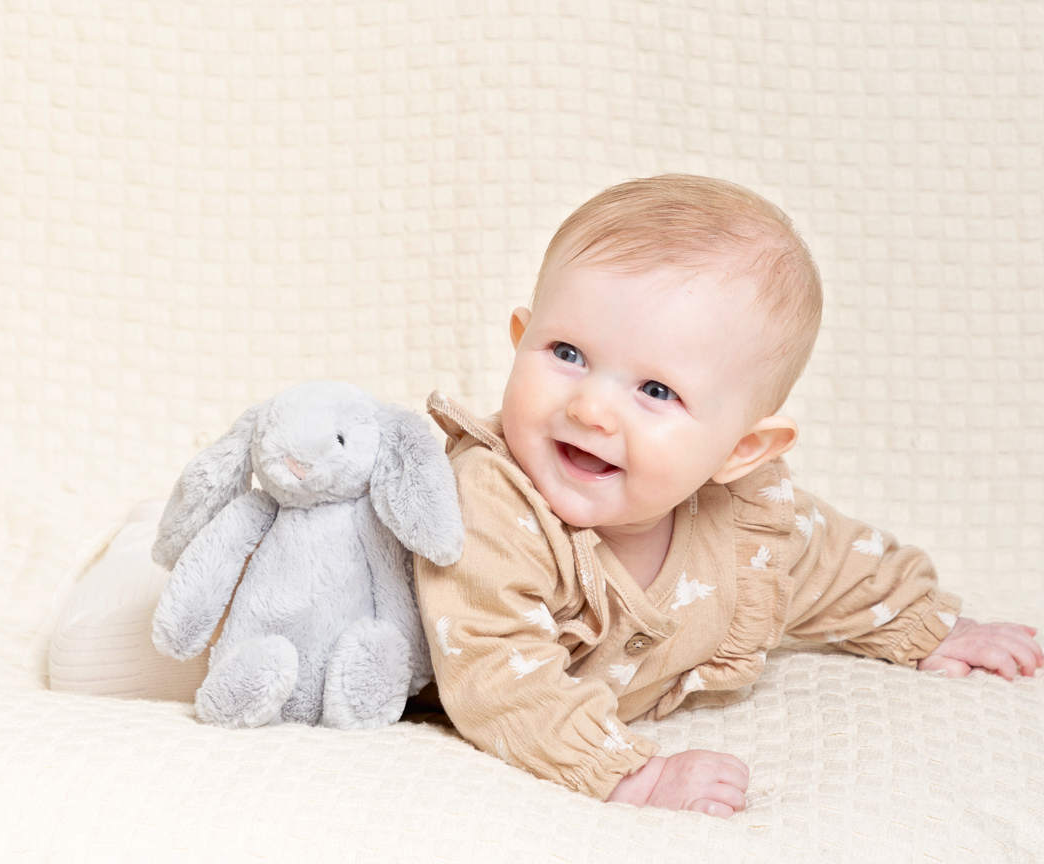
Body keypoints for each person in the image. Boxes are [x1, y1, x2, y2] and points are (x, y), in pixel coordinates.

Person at [412, 174, 1044, 817]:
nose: (592, 407)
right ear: (521, 338)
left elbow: (837, 566)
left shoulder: (743, 521)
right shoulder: (490, 501)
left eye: (656, 391)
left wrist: (929, 625)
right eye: (567, 352)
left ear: (741, 450)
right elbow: (495, 674)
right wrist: (629, 774)